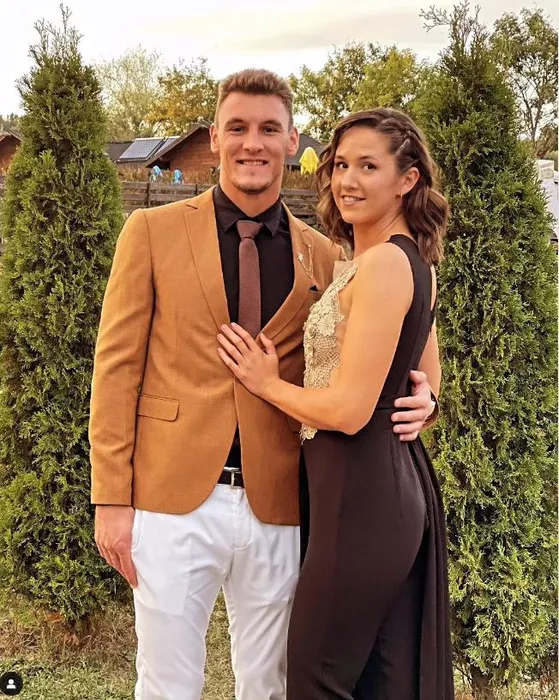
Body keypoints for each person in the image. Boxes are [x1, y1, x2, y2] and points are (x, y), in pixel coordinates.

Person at [89, 71, 438, 700]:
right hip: (170, 498)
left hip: (282, 501)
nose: (253, 143)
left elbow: (410, 329)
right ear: (215, 138)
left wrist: (426, 397)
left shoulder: (327, 254)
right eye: (239, 128)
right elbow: (116, 370)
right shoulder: (150, 232)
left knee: (271, 684)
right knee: (166, 683)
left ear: (291, 141)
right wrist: (111, 501)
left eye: (269, 129)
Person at [217, 108, 453, 699]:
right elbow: (428, 370)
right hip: (372, 491)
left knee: (316, 678)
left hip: (361, 495)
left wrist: (265, 382)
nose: (347, 180)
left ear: (407, 180)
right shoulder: (401, 259)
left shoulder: (385, 264)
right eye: (341, 165)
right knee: (379, 682)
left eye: (368, 167)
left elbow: (348, 411)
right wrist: (425, 398)